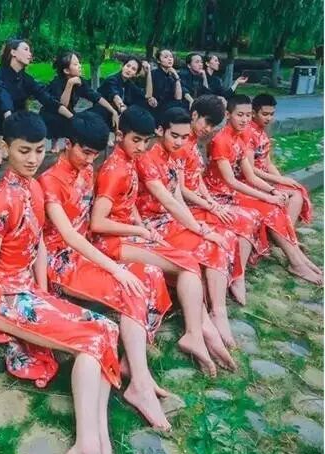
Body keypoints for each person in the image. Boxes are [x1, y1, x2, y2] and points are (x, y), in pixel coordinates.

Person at [0, 111, 120, 454]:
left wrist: (46, 297)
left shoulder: (32, 186)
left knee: (107, 329)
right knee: (91, 342)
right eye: (23, 150)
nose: (33, 159)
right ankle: (86, 448)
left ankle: (98, 434)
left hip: (29, 293)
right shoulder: (1, 200)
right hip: (5, 301)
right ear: (5, 147)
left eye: (38, 150)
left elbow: (40, 244)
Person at [38, 111, 173, 431]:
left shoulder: (86, 170)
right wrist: (115, 268)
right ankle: (140, 384)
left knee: (149, 274)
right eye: (85, 152)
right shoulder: (50, 182)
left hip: (86, 253)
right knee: (128, 284)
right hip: (61, 261)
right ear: (67, 144)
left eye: (95, 155)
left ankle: (135, 370)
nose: (90, 160)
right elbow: (67, 235)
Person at [90, 106, 235, 373]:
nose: (142, 147)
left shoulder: (128, 161)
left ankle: (200, 329)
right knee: (185, 264)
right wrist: (141, 230)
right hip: (112, 241)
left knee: (187, 261)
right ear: (120, 135)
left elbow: (128, 203)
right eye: (136, 140)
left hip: (132, 231)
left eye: (145, 141)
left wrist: (140, 225)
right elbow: (97, 223)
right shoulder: (116, 169)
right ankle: (198, 330)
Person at [135, 107, 243, 348]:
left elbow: (177, 198)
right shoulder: (147, 158)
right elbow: (168, 201)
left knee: (216, 243)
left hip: (169, 220)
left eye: (184, 137)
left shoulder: (173, 157)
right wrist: (202, 229)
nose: (179, 142)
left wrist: (197, 226)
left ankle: (218, 311)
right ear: (160, 131)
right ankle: (202, 322)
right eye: (174, 135)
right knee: (207, 244)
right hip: (152, 224)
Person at [204, 94, 322, 285]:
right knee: (270, 208)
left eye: (247, 115)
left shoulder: (241, 136)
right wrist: (267, 197)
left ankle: (298, 259)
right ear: (228, 115)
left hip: (234, 191)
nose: (245, 119)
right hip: (219, 194)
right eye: (240, 115)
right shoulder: (221, 140)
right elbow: (232, 181)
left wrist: (273, 191)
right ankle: (296, 262)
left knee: (276, 204)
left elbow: (250, 175)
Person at [176, 95, 264, 306]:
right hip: (187, 205)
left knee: (250, 217)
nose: (208, 129)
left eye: (212, 125)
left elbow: (197, 178)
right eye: (206, 123)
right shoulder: (181, 143)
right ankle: (230, 281)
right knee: (236, 223)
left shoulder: (193, 142)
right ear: (194, 115)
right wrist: (210, 205)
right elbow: (181, 189)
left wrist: (210, 201)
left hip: (202, 199)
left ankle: (238, 275)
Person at [0, 39, 72, 165]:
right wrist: (11, 123)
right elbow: (3, 97)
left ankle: (16, 147)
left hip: (19, 117)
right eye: (25, 49)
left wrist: (72, 117)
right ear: (13, 52)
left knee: (39, 117)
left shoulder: (26, 79)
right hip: (0, 117)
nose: (30, 54)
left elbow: (46, 98)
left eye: (30, 50)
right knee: (0, 107)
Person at [247, 94, 313, 226]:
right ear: (253, 113)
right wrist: (279, 181)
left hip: (265, 178)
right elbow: (250, 169)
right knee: (295, 195)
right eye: (265, 114)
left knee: (296, 189)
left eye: (272, 114)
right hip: (251, 181)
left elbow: (268, 163)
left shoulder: (262, 133)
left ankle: (287, 231)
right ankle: (286, 233)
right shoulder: (248, 133)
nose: (269, 118)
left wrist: (282, 180)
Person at [41, 50, 119, 153]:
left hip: (69, 113)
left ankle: (101, 136)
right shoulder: (57, 83)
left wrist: (113, 111)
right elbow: (61, 105)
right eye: (76, 64)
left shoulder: (80, 81)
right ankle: (55, 142)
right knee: (63, 119)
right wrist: (70, 84)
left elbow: (95, 96)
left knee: (102, 110)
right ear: (66, 70)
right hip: (52, 115)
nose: (80, 66)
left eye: (79, 63)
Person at [90, 55, 154, 126]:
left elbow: (148, 95)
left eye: (133, 69)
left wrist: (149, 72)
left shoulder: (129, 84)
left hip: (114, 118)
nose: (129, 70)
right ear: (122, 66)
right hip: (99, 117)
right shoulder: (112, 80)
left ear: (135, 74)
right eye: (128, 66)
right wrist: (124, 110)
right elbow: (115, 96)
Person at [148, 49, 183, 118]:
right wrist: (150, 98)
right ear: (158, 61)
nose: (170, 59)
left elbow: (178, 98)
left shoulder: (172, 76)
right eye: (166, 57)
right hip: (156, 106)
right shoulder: (153, 74)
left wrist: (177, 77)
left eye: (171, 57)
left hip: (170, 106)